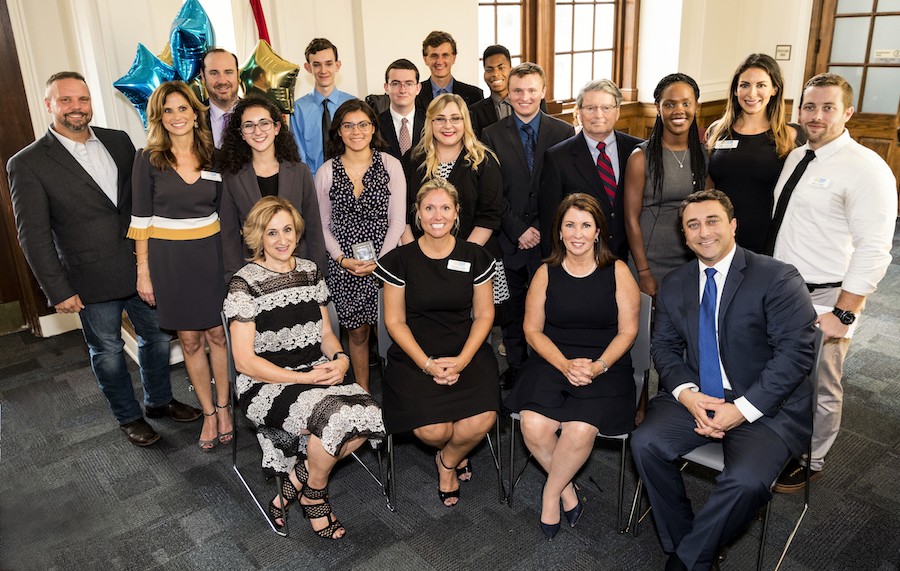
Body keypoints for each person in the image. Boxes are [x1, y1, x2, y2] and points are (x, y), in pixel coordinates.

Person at [7, 71, 201, 447]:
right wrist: (58, 289)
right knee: (108, 352)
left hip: (139, 267)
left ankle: (159, 400)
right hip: (88, 279)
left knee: (157, 338)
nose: (76, 107)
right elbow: (32, 235)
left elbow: (139, 203)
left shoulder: (119, 141)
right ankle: (129, 417)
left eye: (82, 99)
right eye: (65, 100)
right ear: (48, 105)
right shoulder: (27, 163)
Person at [630, 189, 817, 571]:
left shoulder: (777, 277)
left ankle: (686, 561)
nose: (704, 232)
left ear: (733, 225)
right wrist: (688, 395)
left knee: (746, 481)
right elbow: (664, 347)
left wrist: (741, 410)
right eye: (693, 225)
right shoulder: (675, 283)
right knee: (645, 442)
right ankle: (691, 544)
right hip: (699, 395)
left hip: (764, 404)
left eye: (712, 221)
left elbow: (795, 356)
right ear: (684, 236)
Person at [224, 196, 384, 539]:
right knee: (335, 420)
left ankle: (301, 479)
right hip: (265, 382)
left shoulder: (310, 271)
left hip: (315, 368)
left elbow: (325, 334)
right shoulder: (244, 283)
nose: (282, 240)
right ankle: (316, 497)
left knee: (369, 415)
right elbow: (244, 361)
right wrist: (302, 377)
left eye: (288, 230)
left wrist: (341, 359)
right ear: (258, 237)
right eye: (272, 233)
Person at [770, 73, 896, 492]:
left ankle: (813, 457)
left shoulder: (866, 168)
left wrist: (845, 312)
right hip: (784, 290)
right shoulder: (797, 156)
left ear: (848, 113)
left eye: (828, 108)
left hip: (828, 294)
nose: (817, 116)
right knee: (785, 372)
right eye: (810, 107)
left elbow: (875, 249)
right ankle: (781, 440)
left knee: (822, 382)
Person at [504, 193, 639, 540]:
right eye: (570, 225)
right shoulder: (545, 272)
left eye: (585, 225)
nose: (578, 233)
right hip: (553, 360)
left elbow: (628, 331)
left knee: (579, 428)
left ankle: (551, 494)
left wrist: (598, 366)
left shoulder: (618, 271)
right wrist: (564, 364)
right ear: (559, 232)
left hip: (606, 364)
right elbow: (532, 331)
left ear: (598, 232)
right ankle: (567, 490)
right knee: (533, 425)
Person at [375, 179, 499, 507]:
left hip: (466, 349)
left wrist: (462, 360)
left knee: (482, 419)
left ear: (457, 212)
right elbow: (394, 322)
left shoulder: (475, 256)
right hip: (414, 354)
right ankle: (454, 451)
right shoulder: (399, 260)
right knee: (434, 431)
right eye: (429, 208)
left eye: (445, 207)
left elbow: (484, 316)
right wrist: (427, 364)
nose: (437, 215)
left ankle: (447, 462)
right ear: (417, 213)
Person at [128, 81, 231, 452]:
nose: (176, 116)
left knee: (218, 335)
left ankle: (224, 408)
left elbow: (226, 213)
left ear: (195, 113)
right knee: (189, 340)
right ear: (159, 117)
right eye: (167, 110)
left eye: (182, 108)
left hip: (211, 255)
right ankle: (208, 413)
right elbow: (141, 219)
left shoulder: (214, 156)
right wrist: (143, 272)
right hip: (169, 260)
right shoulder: (148, 159)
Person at [481, 63, 574, 389]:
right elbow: (491, 191)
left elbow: (566, 189)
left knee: (550, 307)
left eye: (532, 90)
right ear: (508, 93)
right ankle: (517, 368)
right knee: (513, 309)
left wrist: (541, 228)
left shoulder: (563, 132)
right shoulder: (492, 134)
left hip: (549, 240)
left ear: (543, 91)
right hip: (510, 240)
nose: (525, 97)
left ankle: (546, 368)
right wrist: (518, 229)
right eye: (518, 90)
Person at [315, 99, 407, 391]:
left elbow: (398, 221)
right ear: (338, 132)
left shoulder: (391, 165)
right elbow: (322, 225)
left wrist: (380, 263)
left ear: (373, 128)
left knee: (390, 333)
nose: (356, 131)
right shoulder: (326, 171)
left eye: (363, 124)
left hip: (385, 265)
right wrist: (342, 259)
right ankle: (363, 396)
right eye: (348, 125)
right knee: (356, 335)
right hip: (345, 267)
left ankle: (399, 396)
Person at [218, 96, 327, 280]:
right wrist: (235, 279)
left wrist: (319, 273)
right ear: (241, 133)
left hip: (299, 270)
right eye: (249, 125)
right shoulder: (233, 178)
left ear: (276, 128)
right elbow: (229, 236)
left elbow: (313, 227)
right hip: (254, 274)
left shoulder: (300, 172)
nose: (257, 131)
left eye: (264, 123)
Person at [706, 53, 805, 253]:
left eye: (761, 85)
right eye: (745, 85)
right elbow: (708, 185)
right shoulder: (717, 130)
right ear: (735, 90)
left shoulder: (790, 135)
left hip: (767, 237)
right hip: (721, 236)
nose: (752, 93)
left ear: (774, 89)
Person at [624, 73, 706, 298]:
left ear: (696, 106)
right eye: (669, 104)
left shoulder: (703, 156)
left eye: (686, 103)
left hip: (692, 261)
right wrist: (643, 272)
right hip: (650, 262)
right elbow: (631, 220)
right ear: (658, 108)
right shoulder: (641, 157)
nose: (679, 110)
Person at [539, 80, 642, 260]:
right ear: (579, 112)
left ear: (618, 111)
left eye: (606, 108)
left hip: (631, 257)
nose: (598, 115)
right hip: (581, 259)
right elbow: (551, 221)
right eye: (590, 108)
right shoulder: (557, 157)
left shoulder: (637, 150)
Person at [290, 38, 356, 175]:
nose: (323, 70)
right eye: (316, 65)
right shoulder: (298, 109)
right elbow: (298, 155)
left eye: (328, 64)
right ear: (308, 68)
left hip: (352, 178)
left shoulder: (353, 104)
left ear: (337, 65)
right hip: (314, 181)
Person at [415, 31, 484, 110]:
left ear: (454, 58)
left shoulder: (474, 95)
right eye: (434, 56)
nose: (439, 62)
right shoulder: (414, 94)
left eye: (445, 55)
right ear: (425, 59)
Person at [378, 58, 425, 172]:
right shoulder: (374, 125)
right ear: (386, 88)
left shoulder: (431, 122)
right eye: (395, 84)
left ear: (418, 88)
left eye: (409, 84)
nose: (402, 90)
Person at [200, 48, 240, 149]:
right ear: (203, 76)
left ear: (238, 74)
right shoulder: (193, 118)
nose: (222, 81)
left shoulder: (258, 114)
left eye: (228, 72)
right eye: (214, 73)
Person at [469, 45, 512, 139]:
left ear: (511, 70)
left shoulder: (529, 102)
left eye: (501, 68)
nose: (495, 74)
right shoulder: (475, 112)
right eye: (489, 70)